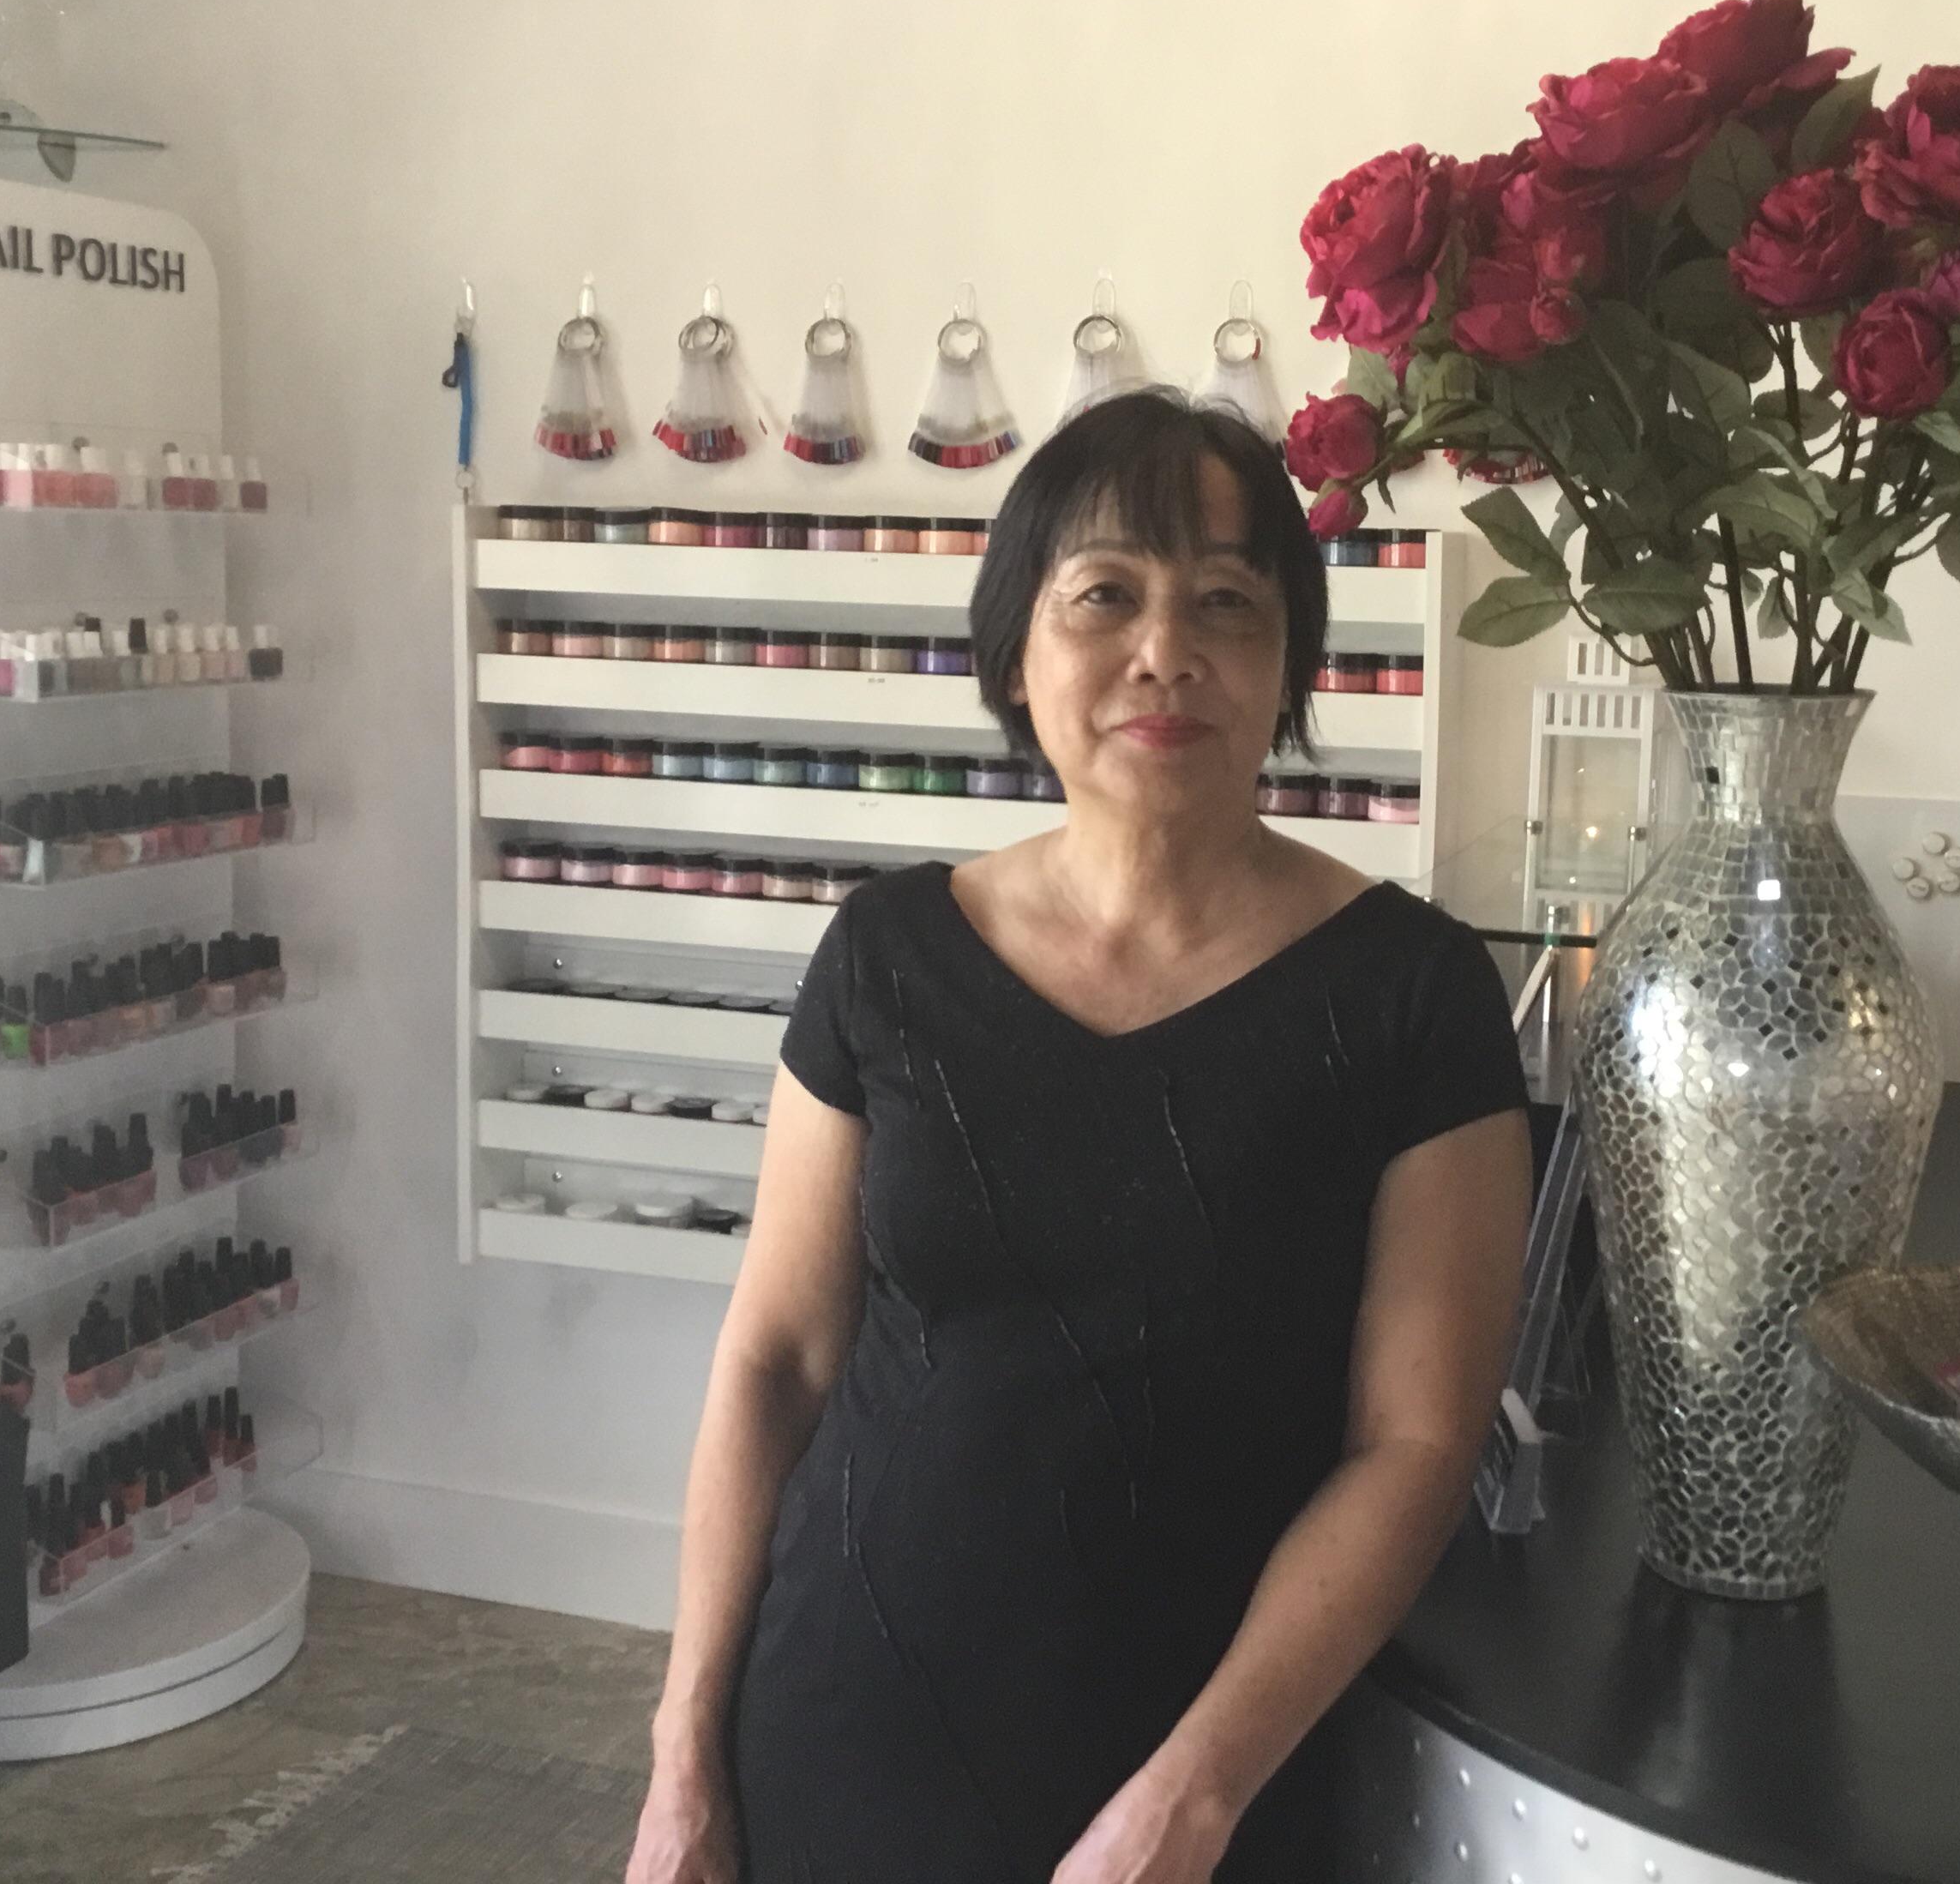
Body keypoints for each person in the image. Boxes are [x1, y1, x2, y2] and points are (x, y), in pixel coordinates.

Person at [628, 388, 1531, 1883]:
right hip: (844, 1722)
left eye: (1226, 603)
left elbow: (1415, 1442)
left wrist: (1194, 1796)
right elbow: (774, 1363)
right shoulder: (887, 956)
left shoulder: (1412, 994)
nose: (1164, 652)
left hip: (1219, 1770)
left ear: (1291, 666)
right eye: (1105, 594)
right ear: (1016, 652)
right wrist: (682, 1755)